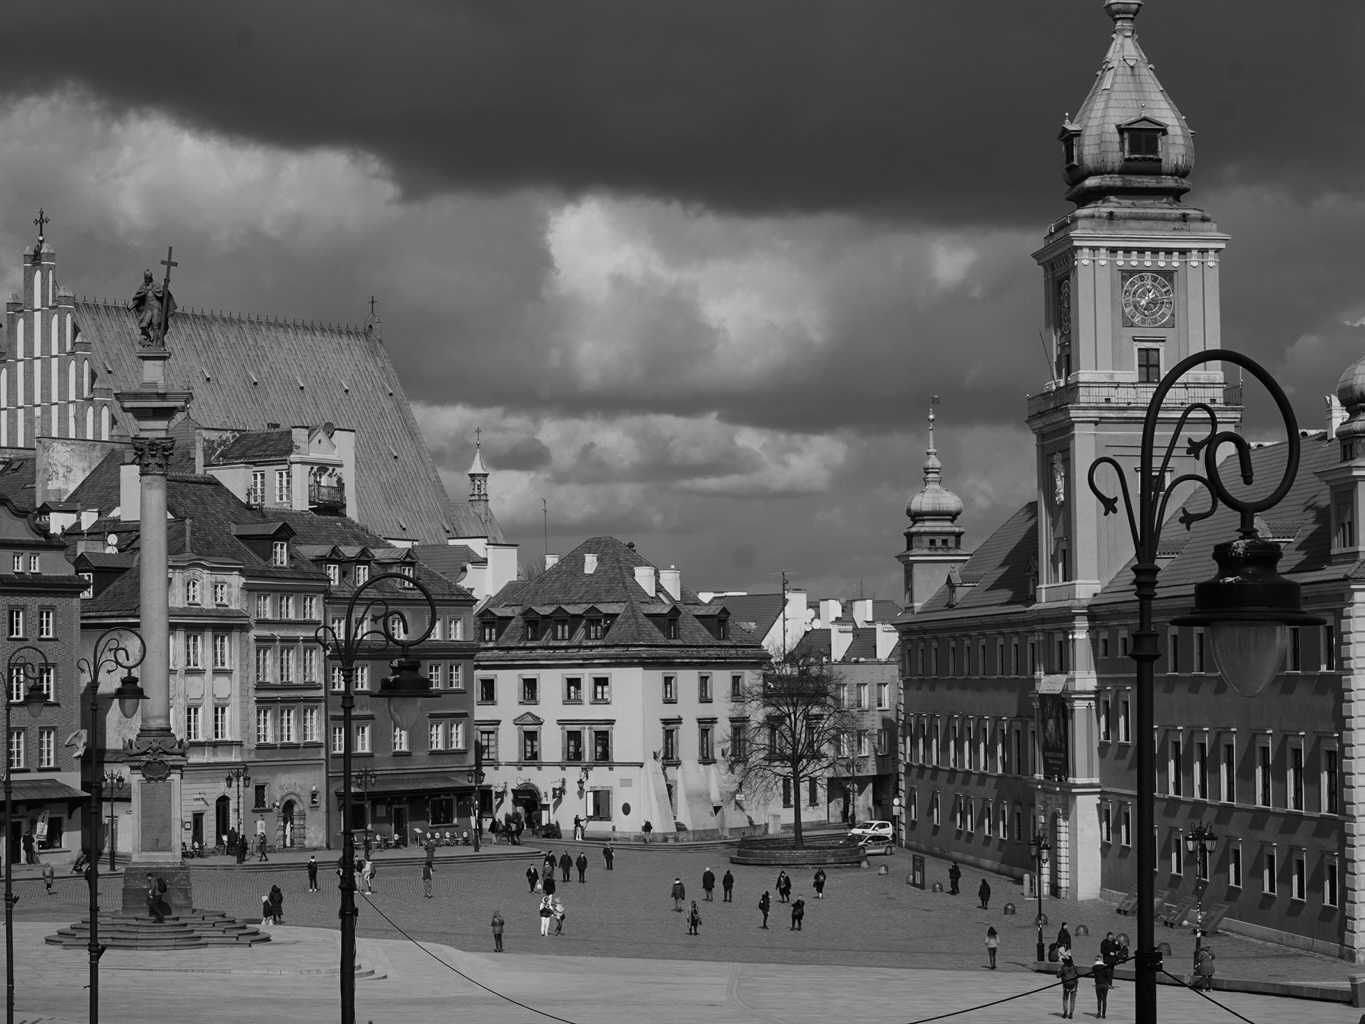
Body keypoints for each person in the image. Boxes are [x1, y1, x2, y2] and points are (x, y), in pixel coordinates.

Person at [1058, 950, 1079, 1019]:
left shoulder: (1063, 967)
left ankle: (1065, 1012)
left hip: (1066, 986)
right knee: (1072, 1000)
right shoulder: (1074, 967)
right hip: (1074, 985)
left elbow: (1058, 975)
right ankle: (1071, 1013)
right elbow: (1077, 975)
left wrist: (1059, 971)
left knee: (1065, 999)